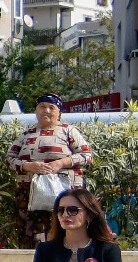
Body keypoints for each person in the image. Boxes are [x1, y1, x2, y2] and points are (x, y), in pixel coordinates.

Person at [6, 95, 92, 242]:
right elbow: (9, 159)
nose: (46, 110)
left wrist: (60, 163)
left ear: (59, 112)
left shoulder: (68, 131)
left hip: (65, 194)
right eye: (42, 106)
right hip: (30, 195)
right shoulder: (26, 134)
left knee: (64, 234)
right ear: (36, 110)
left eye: (52, 107)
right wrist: (28, 166)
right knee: (32, 236)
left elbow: (86, 155)